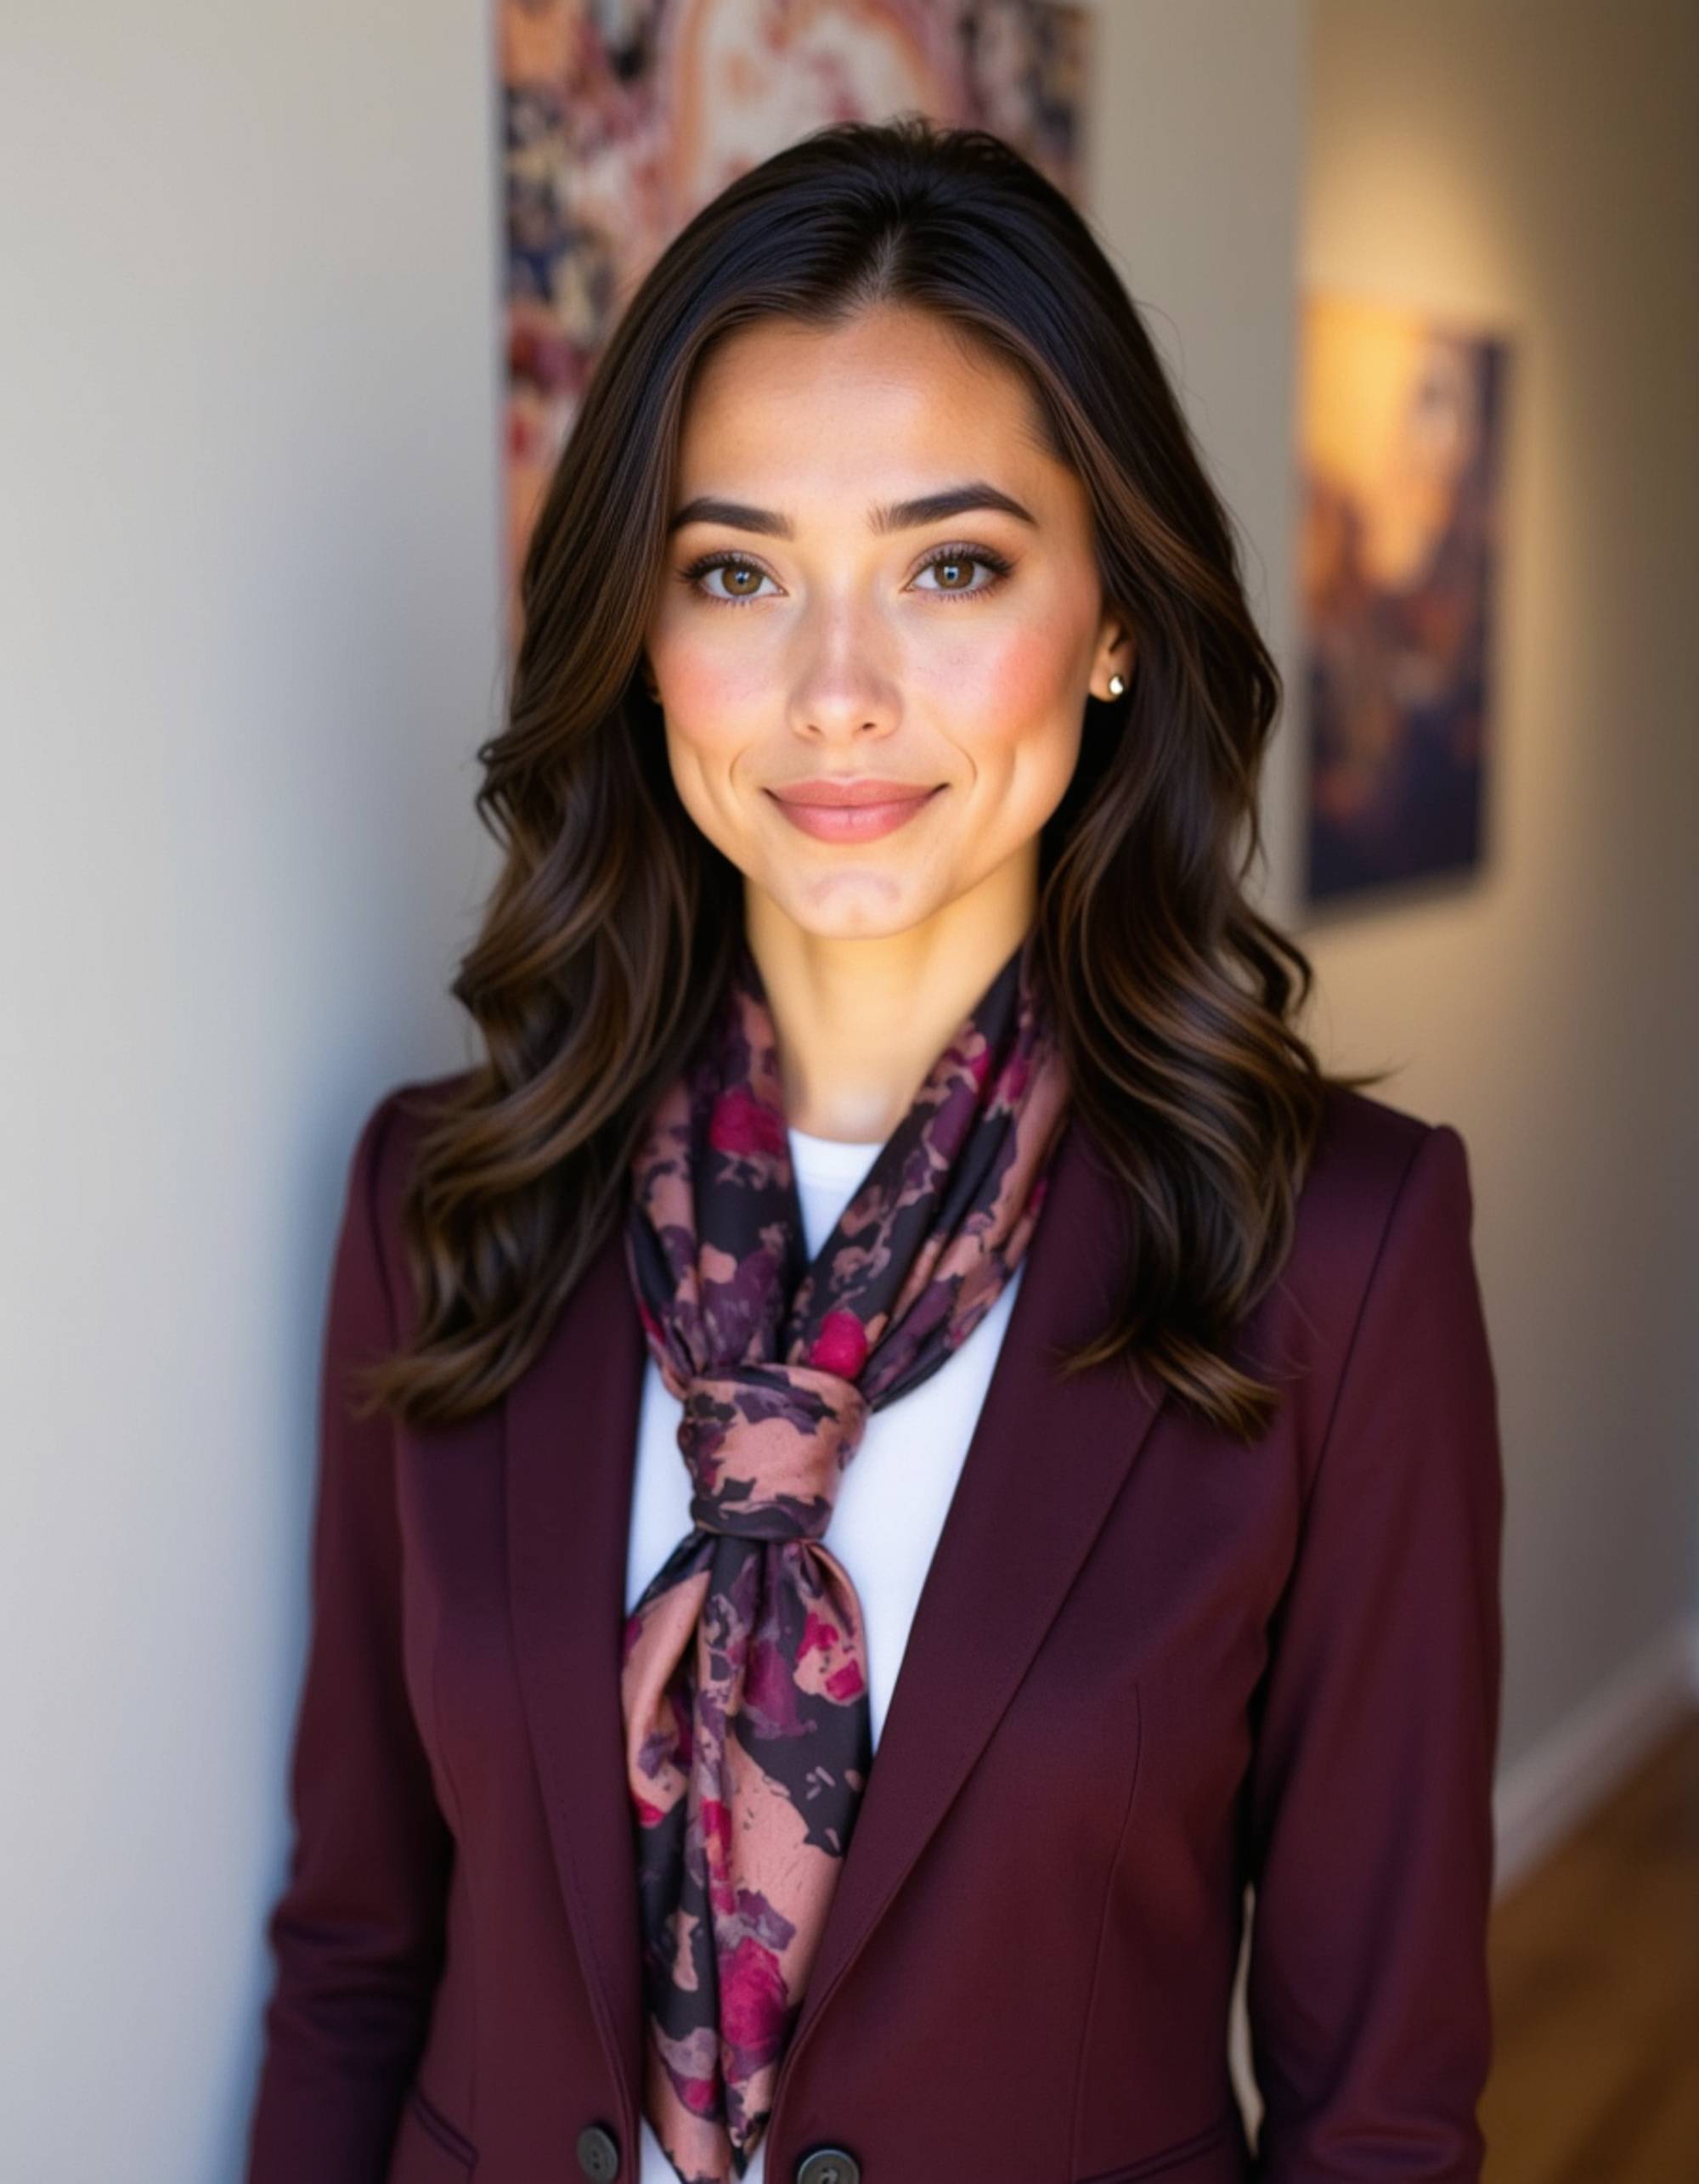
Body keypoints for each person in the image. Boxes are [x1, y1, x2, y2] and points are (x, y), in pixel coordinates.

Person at [244, 116, 1504, 2184]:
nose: (837, 694)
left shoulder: (1338, 1254)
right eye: (736, 571)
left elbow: (1377, 2107)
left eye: (951, 565)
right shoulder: (443, 1199)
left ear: (1111, 617)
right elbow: (359, 1949)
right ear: (641, 642)